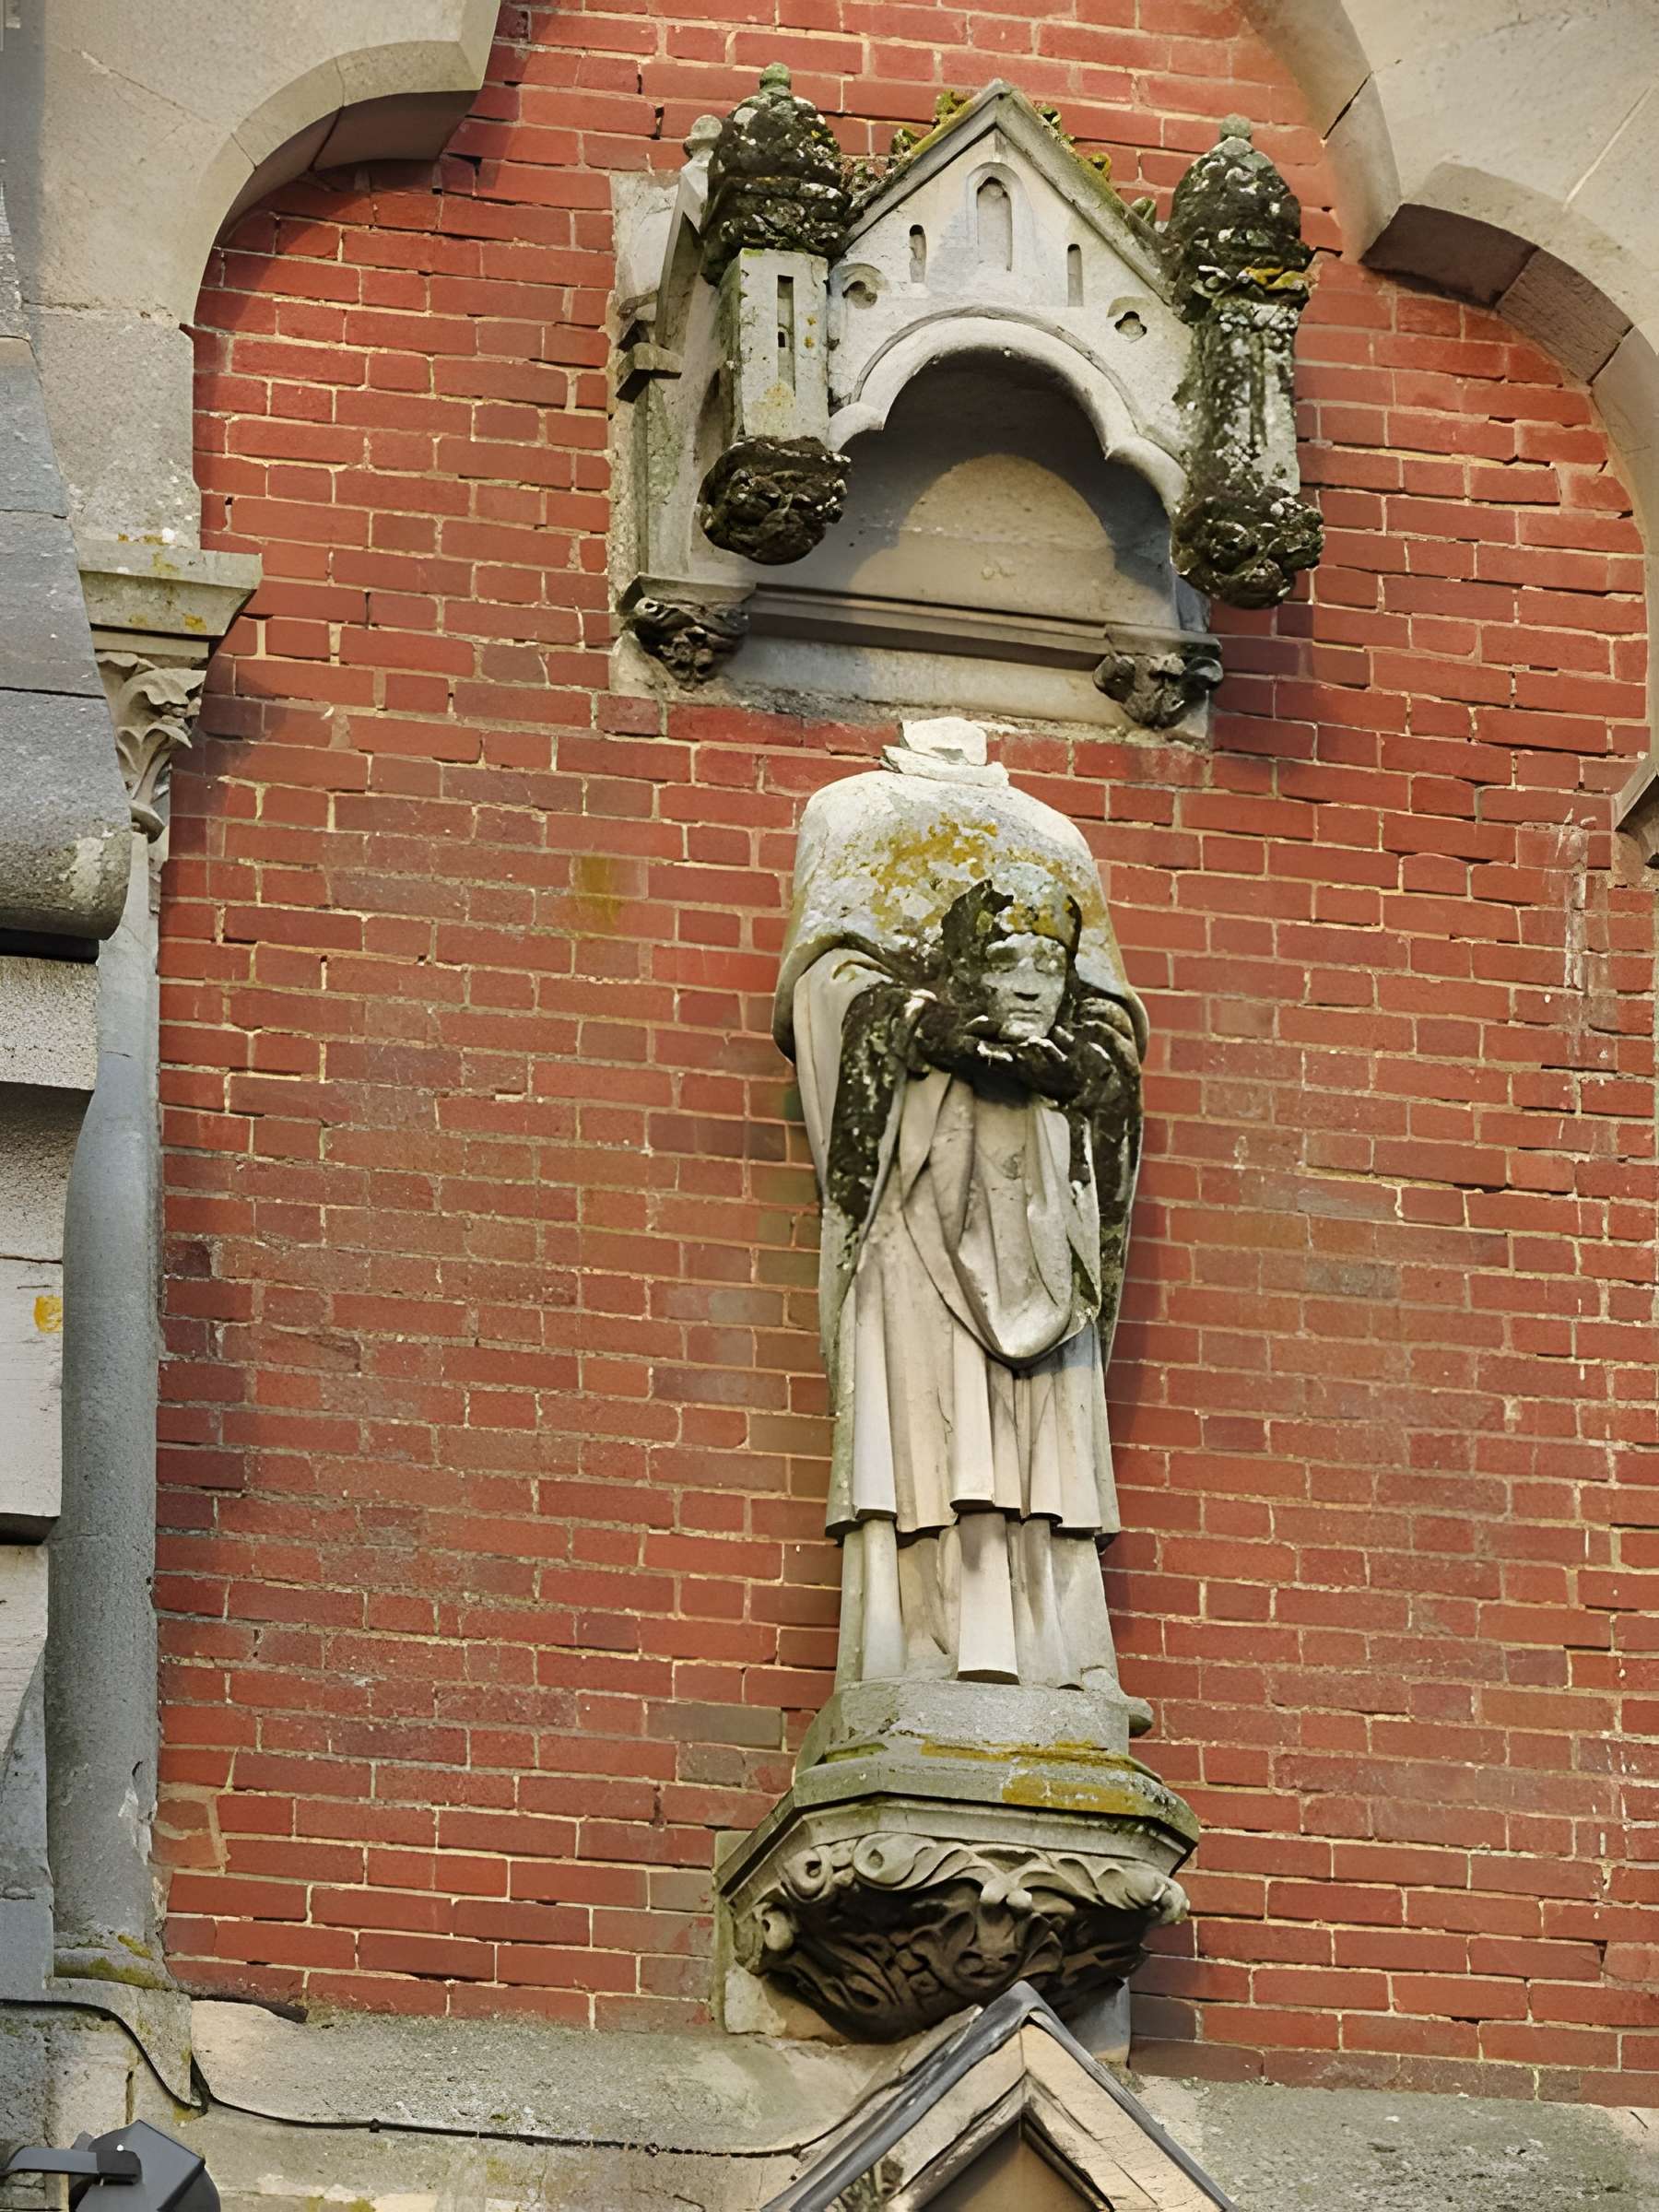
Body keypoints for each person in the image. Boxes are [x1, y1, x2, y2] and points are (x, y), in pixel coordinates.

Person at [779, 731, 1147, 1700]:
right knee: (922, 1418)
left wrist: (1070, 1067)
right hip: (917, 1173)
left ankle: (1053, 1646)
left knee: (1040, 1435)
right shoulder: (851, 815)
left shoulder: (1057, 840)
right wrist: (929, 1029)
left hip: (1037, 1195)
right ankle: (917, 1643)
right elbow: (830, 988)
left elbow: (1111, 1031)